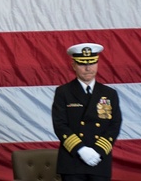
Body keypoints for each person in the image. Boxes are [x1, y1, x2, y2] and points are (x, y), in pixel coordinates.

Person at [51, 43, 122, 181]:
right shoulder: (63, 92)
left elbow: (114, 125)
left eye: (92, 63)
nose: (88, 68)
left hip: (99, 160)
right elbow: (60, 125)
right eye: (82, 64)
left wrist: (99, 151)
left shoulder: (109, 93)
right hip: (72, 162)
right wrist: (81, 149)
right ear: (74, 66)